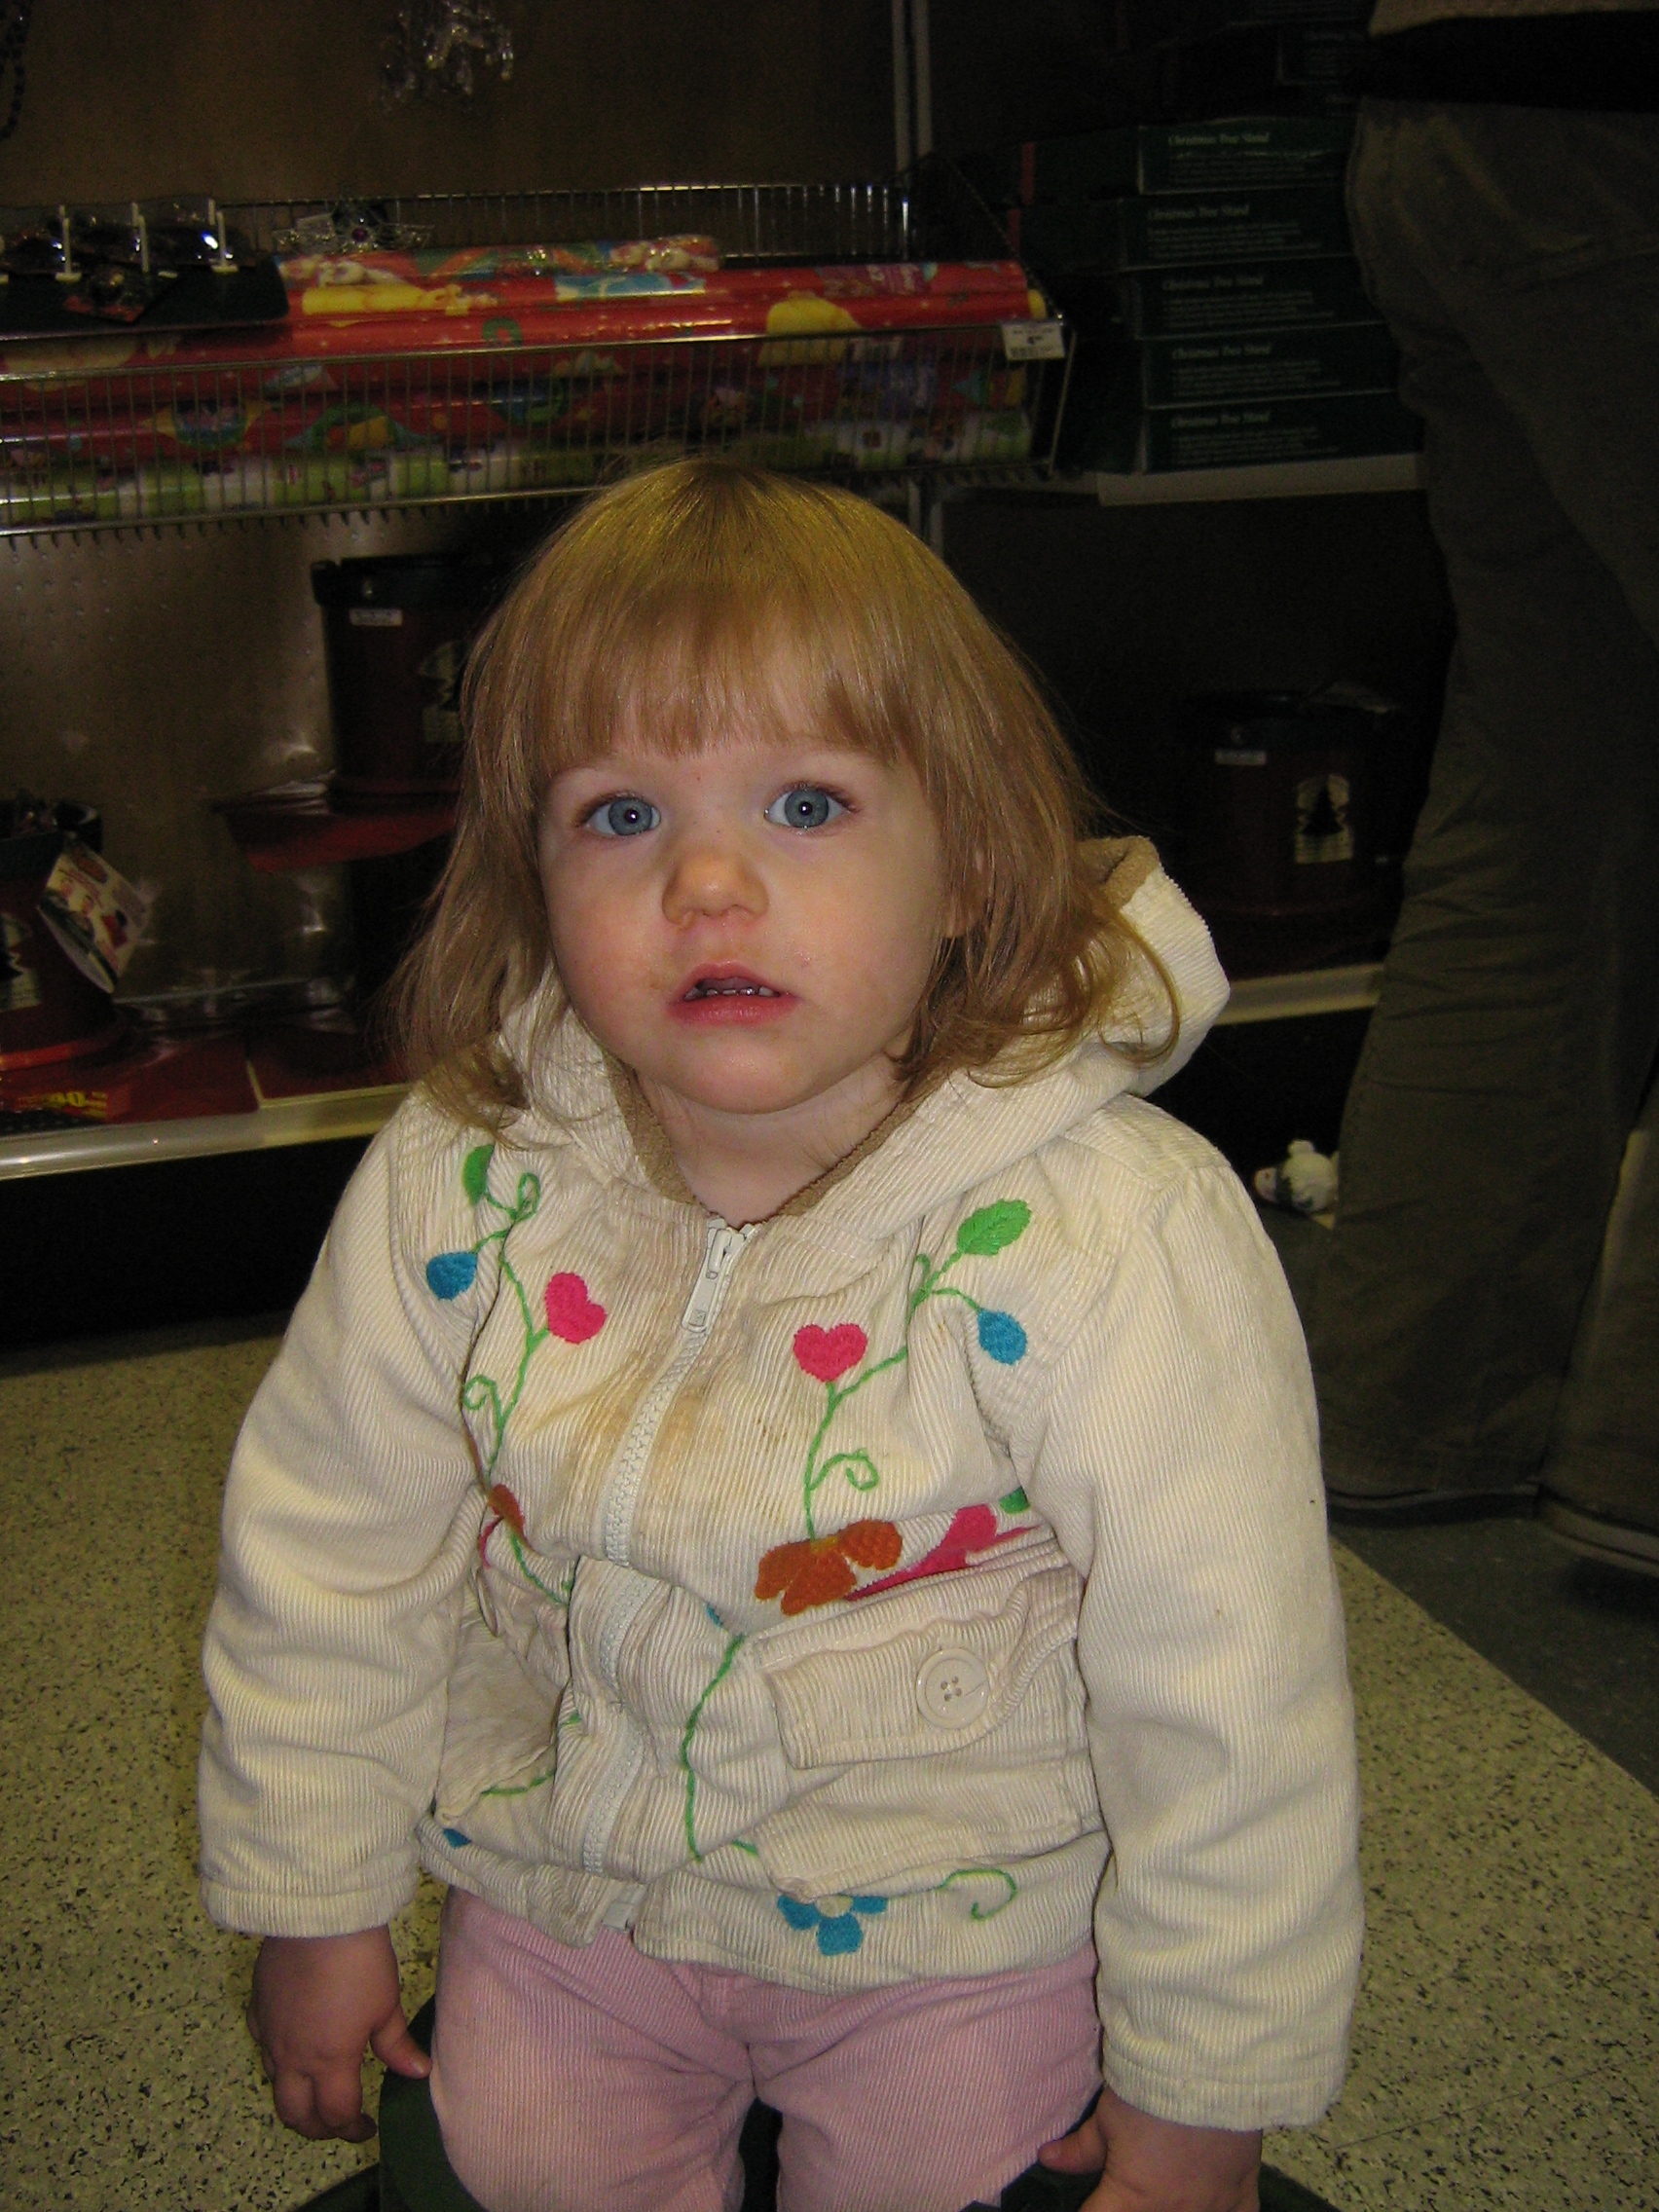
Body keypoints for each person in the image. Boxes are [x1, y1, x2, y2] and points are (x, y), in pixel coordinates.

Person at [199, 462, 1361, 2212]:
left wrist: (1207, 2086)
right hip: (572, 1883)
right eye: (619, 814)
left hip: (968, 1918)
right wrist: (313, 1893)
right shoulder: (464, 1180)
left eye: (808, 804)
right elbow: (327, 1551)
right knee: (510, 2164)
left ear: (969, 864)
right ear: (530, 876)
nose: (708, 883)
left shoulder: (1112, 1235)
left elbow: (1233, 1690)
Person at [1304, 2, 1659, 1575]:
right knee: (1545, 788)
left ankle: (1421, 1410)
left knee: (1547, 791)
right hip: (1629, 123)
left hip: (1455, 106)